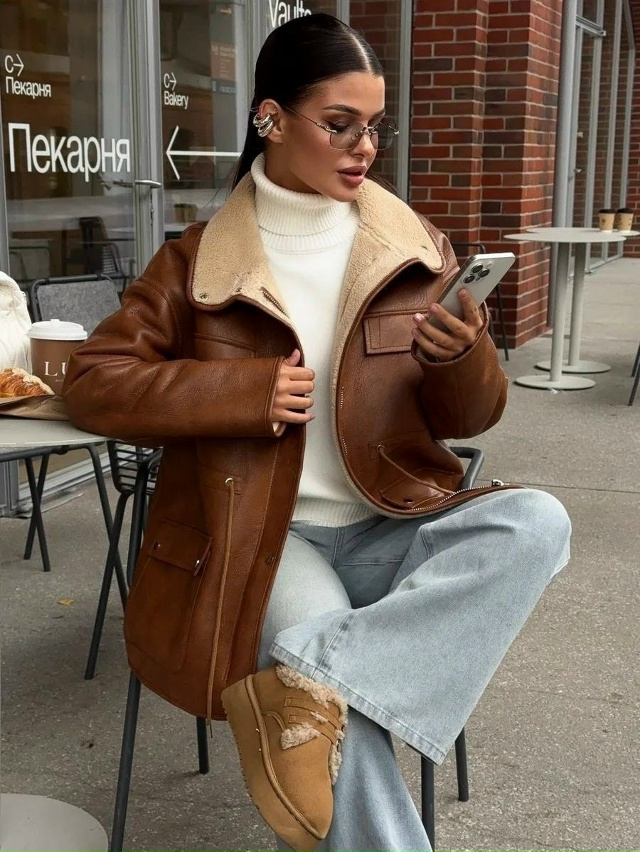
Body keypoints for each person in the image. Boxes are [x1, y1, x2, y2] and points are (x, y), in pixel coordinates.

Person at [63, 13, 571, 852]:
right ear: (270, 118)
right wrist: (241, 391)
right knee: (339, 712)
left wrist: (463, 358)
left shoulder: (413, 249)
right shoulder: (196, 264)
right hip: (268, 538)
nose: (364, 147)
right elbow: (93, 383)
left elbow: (470, 419)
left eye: (374, 127)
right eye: (340, 124)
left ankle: (307, 683)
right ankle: (316, 693)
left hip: (391, 521)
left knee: (536, 522)